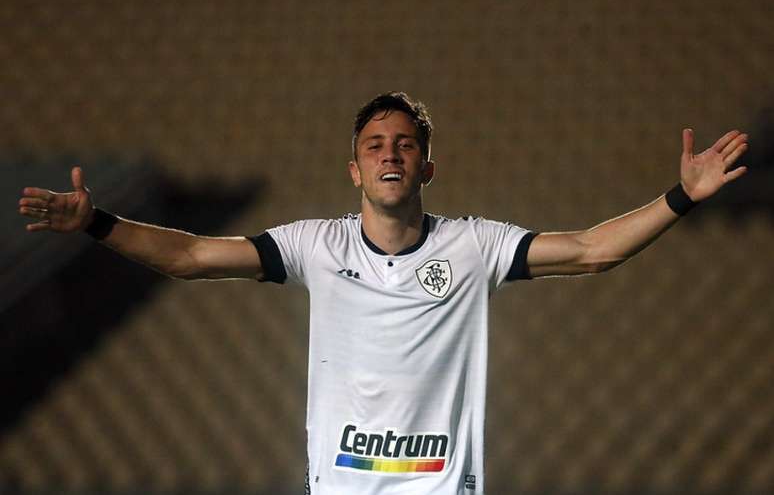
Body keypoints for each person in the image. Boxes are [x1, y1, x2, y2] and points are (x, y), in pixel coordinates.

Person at [18, 92, 748, 494]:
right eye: (376, 145)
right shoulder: (315, 246)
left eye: (404, 145)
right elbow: (188, 255)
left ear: (426, 168)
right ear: (355, 171)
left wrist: (678, 198)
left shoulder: (475, 245)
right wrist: (97, 223)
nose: (390, 154)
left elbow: (592, 251)